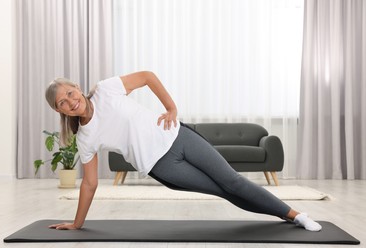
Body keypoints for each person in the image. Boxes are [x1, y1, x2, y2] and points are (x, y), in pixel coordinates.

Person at [45, 71, 322, 232]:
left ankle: (295, 214)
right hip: (163, 166)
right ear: (59, 111)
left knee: (233, 181)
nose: (71, 102)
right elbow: (90, 184)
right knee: (223, 191)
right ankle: (284, 215)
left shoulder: (106, 90)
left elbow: (147, 77)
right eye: (62, 103)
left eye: (70, 93)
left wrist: (172, 108)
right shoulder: (85, 138)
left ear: (78, 88)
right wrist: (77, 224)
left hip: (177, 136)